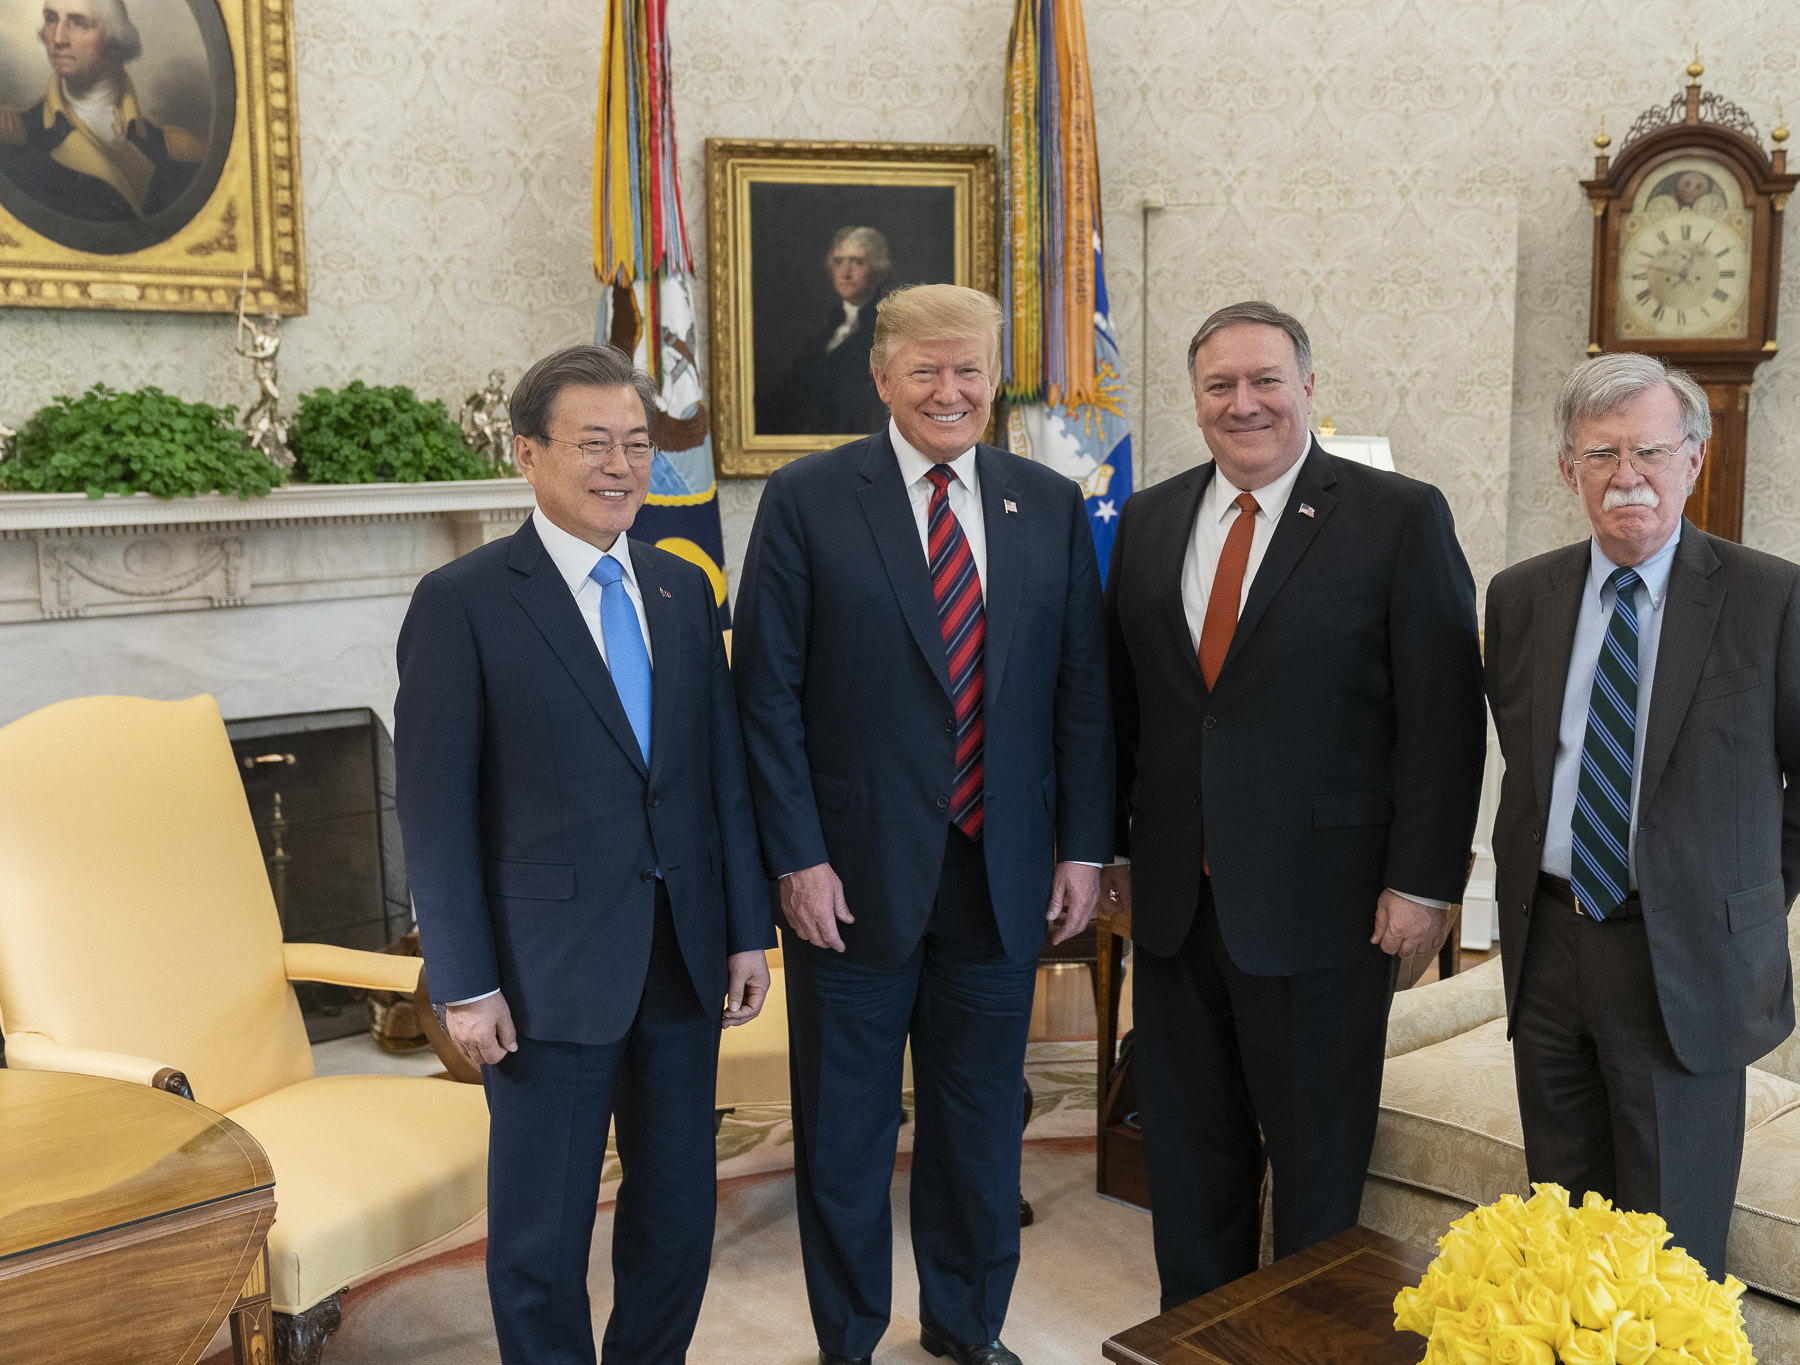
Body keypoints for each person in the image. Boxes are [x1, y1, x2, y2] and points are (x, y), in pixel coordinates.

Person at [733, 282, 1113, 1365]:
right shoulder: (808, 499)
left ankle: (964, 1324)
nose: (949, 390)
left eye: (969, 370)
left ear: (994, 380)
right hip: (847, 880)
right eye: (926, 370)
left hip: (1000, 875)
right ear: (881, 377)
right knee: (845, 1136)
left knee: (980, 1128)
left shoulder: (1043, 503)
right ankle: (847, 1338)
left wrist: (1082, 846)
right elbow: (764, 693)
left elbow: (1080, 692)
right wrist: (795, 858)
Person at [1100, 300, 1486, 1310]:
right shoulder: (1147, 520)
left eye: (1264, 380)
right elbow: (1123, 707)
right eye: (1219, 386)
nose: (1243, 404)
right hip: (1179, 906)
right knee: (1187, 1159)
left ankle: (1304, 1342)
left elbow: (1441, 719)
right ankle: (1199, 1337)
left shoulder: (1398, 516)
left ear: (1308, 389)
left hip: (1327, 906)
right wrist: (1109, 852)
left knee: (1315, 1167)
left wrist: (1422, 881)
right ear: (1193, 402)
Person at [394, 344, 774, 1363]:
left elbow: (715, 779)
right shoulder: (463, 602)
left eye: (638, 445)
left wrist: (747, 932)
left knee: (676, 1212)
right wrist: (465, 983)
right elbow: (431, 811)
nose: (620, 466)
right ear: (527, 453)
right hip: (539, 972)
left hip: (682, 957)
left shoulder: (681, 588)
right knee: (540, 1234)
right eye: (593, 444)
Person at [1484, 352, 1800, 1280]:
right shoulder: (1520, 597)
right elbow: (1528, 766)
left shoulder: (1769, 597)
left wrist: (1734, 897)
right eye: (1601, 454)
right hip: (1551, 950)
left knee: (1669, 1247)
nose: (1628, 477)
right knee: (1562, 1232)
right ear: (1567, 469)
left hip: (1682, 959)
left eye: (1650, 450)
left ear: (1694, 457)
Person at [0, 0, 202, 221]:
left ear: (115, 40)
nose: (58, 39)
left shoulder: (175, 149)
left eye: (78, 23)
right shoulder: (14, 135)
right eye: (51, 19)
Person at [759, 225, 894, 436]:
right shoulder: (824, 331)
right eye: (839, 261)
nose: (846, 272)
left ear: (878, 271)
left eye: (857, 262)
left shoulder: (889, 327)